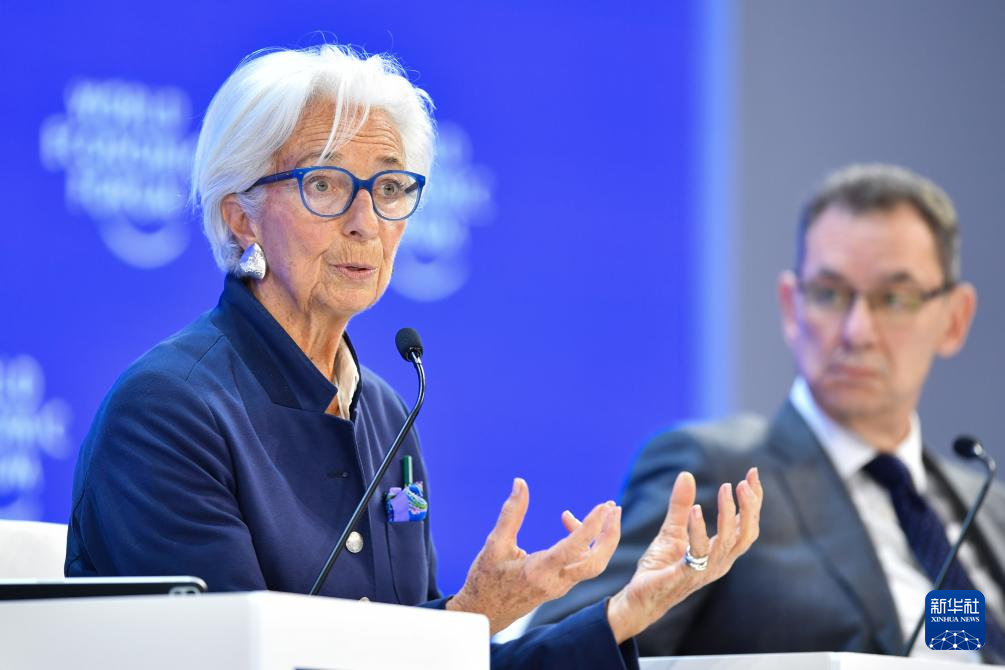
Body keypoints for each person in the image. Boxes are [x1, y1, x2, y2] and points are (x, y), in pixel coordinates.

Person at [64, 44, 762, 669]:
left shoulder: (383, 411)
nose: (365, 222)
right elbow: (238, 659)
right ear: (239, 216)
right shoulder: (168, 411)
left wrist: (622, 614)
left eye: (390, 188)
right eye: (325, 184)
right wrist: (471, 614)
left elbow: (419, 657)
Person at [532, 163, 1005, 663]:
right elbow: (561, 652)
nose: (857, 332)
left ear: (955, 319)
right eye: (829, 294)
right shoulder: (717, 473)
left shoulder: (989, 506)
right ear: (790, 307)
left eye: (893, 299)